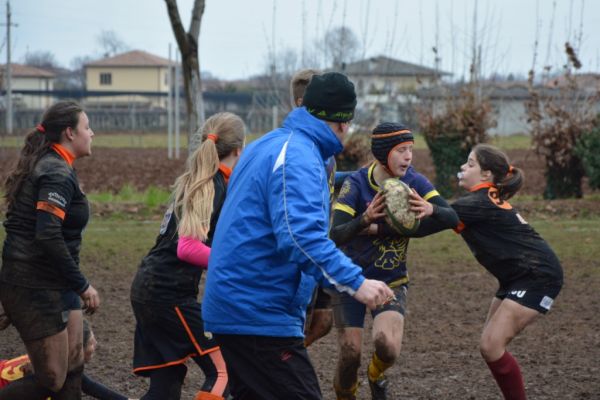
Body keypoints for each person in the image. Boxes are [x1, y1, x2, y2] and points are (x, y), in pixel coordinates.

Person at [202, 72, 394, 400]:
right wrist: (357, 283)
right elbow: (300, 237)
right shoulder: (298, 157)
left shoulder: (269, 145)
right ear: (344, 122)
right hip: (258, 315)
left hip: (239, 309)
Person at [409, 144, 564, 400]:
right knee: (489, 346)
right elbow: (427, 227)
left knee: (491, 345)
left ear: (486, 175)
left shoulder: (477, 203)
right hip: (516, 277)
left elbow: (427, 225)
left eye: (470, 164)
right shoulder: (479, 200)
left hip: (538, 276)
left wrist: (428, 211)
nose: (462, 167)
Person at [329, 122, 458, 400]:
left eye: (410, 149)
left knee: (387, 346)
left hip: (391, 280)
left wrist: (430, 208)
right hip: (350, 279)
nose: (409, 157)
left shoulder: (415, 182)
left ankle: (376, 376)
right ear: (383, 153)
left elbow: (452, 218)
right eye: (401, 150)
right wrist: (363, 219)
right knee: (350, 354)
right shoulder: (357, 183)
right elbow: (335, 234)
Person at [130, 112, 246, 400]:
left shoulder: (199, 179)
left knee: (166, 385)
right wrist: (234, 264)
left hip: (148, 289)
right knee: (224, 372)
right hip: (166, 295)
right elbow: (188, 248)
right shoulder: (211, 185)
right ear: (238, 149)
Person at [0, 101, 100, 399]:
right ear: (69, 133)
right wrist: (83, 285)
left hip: (56, 280)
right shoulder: (54, 171)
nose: (92, 133)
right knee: (52, 376)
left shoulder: (59, 166)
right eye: (86, 127)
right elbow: (47, 235)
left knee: (75, 362)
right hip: (33, 283)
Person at [0, 320, 135, 400]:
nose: (95, 345)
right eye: (91, 343)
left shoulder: (48, 358)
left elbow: (89, 385)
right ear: (76, 350)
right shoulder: (55, 375)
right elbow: (89, 386)